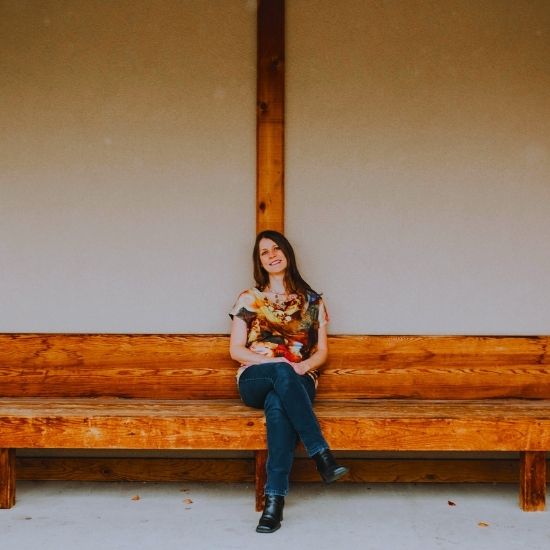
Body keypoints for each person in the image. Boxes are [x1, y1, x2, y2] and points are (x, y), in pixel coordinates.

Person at [229, 230, 349, 534]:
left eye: (276, 249)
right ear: (259, 262)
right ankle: (321, 453)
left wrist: (303, 366)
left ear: (287, 253)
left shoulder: (312, 301)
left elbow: (322, 351)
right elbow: (236, 350)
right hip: (256, 375)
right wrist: (276, 363)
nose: (271, 255)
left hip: (299, 379)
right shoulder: (250, 299)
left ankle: (274, 502)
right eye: (264, 252)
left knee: (278, 405)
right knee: (280, 372)